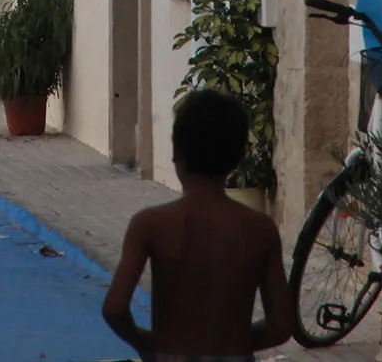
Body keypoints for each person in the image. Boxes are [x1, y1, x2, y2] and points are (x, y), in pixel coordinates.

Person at [102, 90, 290, 362]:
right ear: (237, 157)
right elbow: (281, 326)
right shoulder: (261, 230)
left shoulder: (150, 225)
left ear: (176, 152)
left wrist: (146, 343)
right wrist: (232, 344)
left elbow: (115, 308)